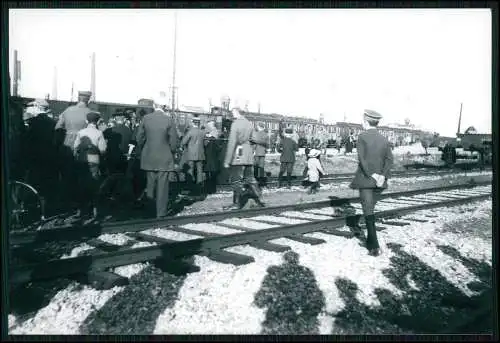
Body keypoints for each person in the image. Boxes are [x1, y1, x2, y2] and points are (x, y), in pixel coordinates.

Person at [349, 109, 393, 257]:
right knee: (370, 209)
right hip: (380, 182)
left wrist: (372, 174)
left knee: (368, 211)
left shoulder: (362, 137)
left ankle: (373, 245)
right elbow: (389, 160)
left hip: (367, 180)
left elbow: (362, 159)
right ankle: (370, 241)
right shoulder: (384, 139)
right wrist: (382, 176)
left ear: (365, 121)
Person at [135, 97, 179, 218]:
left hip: (149, 156)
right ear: (165, 107)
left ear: (155, 105)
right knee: (162, 186)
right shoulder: (169, 120)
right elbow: (174, 142)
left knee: (150, 185)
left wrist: (145, 147)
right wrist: (171, 151)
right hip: (164, 157)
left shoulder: (146, 118)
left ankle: (149, 211)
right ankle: (161, 213)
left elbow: (139, 138)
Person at [55, 90, 93, 205]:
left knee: (67, 172)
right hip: (83, 144)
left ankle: (66, 200)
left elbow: (57, 128)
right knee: (82, 173)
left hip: (67, 144)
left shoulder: (67, 111)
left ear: (78, 98)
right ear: (88, 100)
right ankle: (80, 200)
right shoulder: (91, 112)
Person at [223, 107, 264, 210]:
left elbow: (232, 142)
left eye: (233, 112)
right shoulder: (249, 124)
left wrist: (227, 160)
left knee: (236, 180)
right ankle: (259, 196)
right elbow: (256, 138)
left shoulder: (236, 124)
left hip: (238, 153)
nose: (232, 114)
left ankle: (238, 202)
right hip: (248, 153)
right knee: (250, 178)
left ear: (237, 112)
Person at [73, 111, 107, 219]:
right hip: (94, 161)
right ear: (97, 121)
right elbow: (103, 150)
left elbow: (75, 147)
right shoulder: (99, 133)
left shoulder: (81, 132)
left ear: (86, 121)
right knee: (94, 186)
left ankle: (81, 210)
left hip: (82, 161)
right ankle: (95, 210)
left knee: (81, 185)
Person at [180, 117, 206, 194]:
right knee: (199, 170)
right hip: (200, 153)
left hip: (191, 153)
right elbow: (205, 143)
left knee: (190, 169)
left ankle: (190, 186)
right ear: (198, 123)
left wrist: (183, 145)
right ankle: (200, 187)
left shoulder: (191, 132)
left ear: (193, 123)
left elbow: (183, 142)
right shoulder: (202, 132)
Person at [203, 121, 222, 194]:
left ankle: (208, 189)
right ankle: (212, 189)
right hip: (213, 158)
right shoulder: (215, 136)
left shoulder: (211, 135)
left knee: (209, 174)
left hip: (209, 158)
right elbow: (219, 148)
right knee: (212, 174)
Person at [252, 122, 268, 188]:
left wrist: (253, 150)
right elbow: (266, 144)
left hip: (257, 152)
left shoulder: (257, 134)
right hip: (262, 152)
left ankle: (256, 180)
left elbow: (255, 143)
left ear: (259, 127)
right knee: (261, 167)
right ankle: (261, 182)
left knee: (256, 166)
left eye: (257, 126)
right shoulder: (265, 134)